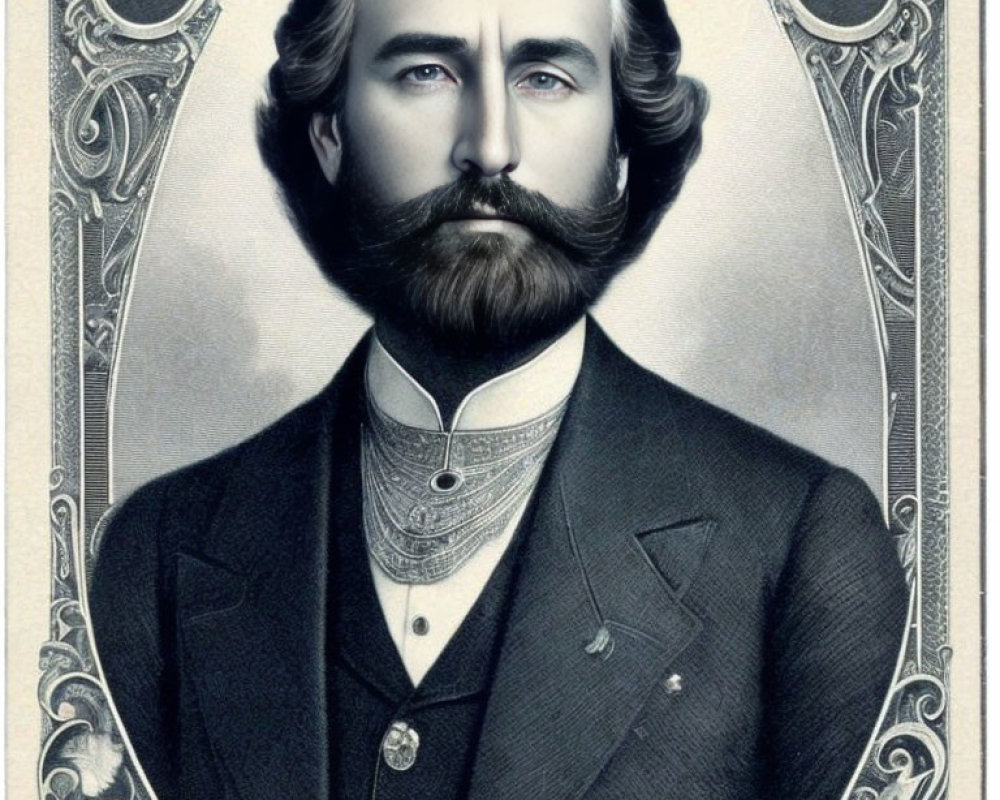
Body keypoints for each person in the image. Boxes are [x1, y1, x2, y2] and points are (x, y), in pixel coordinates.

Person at [89, 0, 909, 798]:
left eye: (546, 77)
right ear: (330, 133)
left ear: (623, 142)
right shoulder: (159, 552)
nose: (489, 147)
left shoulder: (800, 544)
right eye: (426, 72)